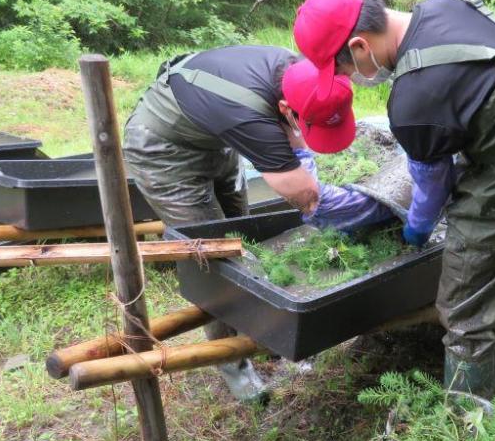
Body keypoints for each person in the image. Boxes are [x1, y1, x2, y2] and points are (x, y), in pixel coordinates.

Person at [293, 0, 495, 398]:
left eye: (347, 69)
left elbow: (432, 187)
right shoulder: (449, 2)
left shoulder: (412, 99)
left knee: (465, 317)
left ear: (359, 45)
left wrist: (416, 231)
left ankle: (468, 436)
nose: (353, 78)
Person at [122, 45, 394, 401]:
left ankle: (262, 330)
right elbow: (308, 197)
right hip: (163, 150)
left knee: (243, 233)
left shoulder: (306, 73)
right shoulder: (252, 120)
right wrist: (379, 207)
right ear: (284, 109)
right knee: (216, 256)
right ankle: (234, 364)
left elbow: (299, 140)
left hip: (215, 136)